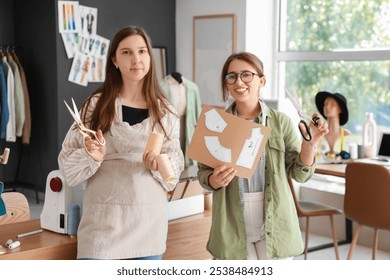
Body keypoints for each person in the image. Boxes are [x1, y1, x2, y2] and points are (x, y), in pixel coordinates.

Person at [58, 25, 184, 260]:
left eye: (142, 51)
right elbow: (67, 165)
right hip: (102, 225)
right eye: (126, 52)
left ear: (150, 57)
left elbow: (172, 175)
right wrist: (90, 156)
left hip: (148, 226)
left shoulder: (166, 111)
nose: (136, 59)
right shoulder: (96, 106)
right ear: (114, 60)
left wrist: (159, 164)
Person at [197, 52, 329, 260]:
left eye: (246, 75)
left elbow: (299, 174)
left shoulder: (280, 122)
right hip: (231, 224)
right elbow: (203, 174)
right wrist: (213, 180)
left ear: (262, 80)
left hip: (275, 222)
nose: (239, 81)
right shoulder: (214, 124)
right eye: (231, 76)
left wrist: (309, 145)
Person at [315, 91, 350, 158]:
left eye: (332, 104)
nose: (327, 106)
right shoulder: (319, 133)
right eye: (325, 104)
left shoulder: (346, 134)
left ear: (340, 109)